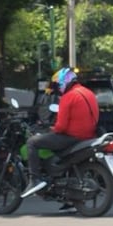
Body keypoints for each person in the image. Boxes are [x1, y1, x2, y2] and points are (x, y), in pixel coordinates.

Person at [23, 67, 98, 197]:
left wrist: (52, 129)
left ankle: (34, 180)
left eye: (58, 85)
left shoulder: (68, 97)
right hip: (89, 136)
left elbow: (61, 127)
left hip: (72, 137)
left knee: (32, 142)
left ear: (64, 82)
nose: (58, 89)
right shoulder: (89, 93)